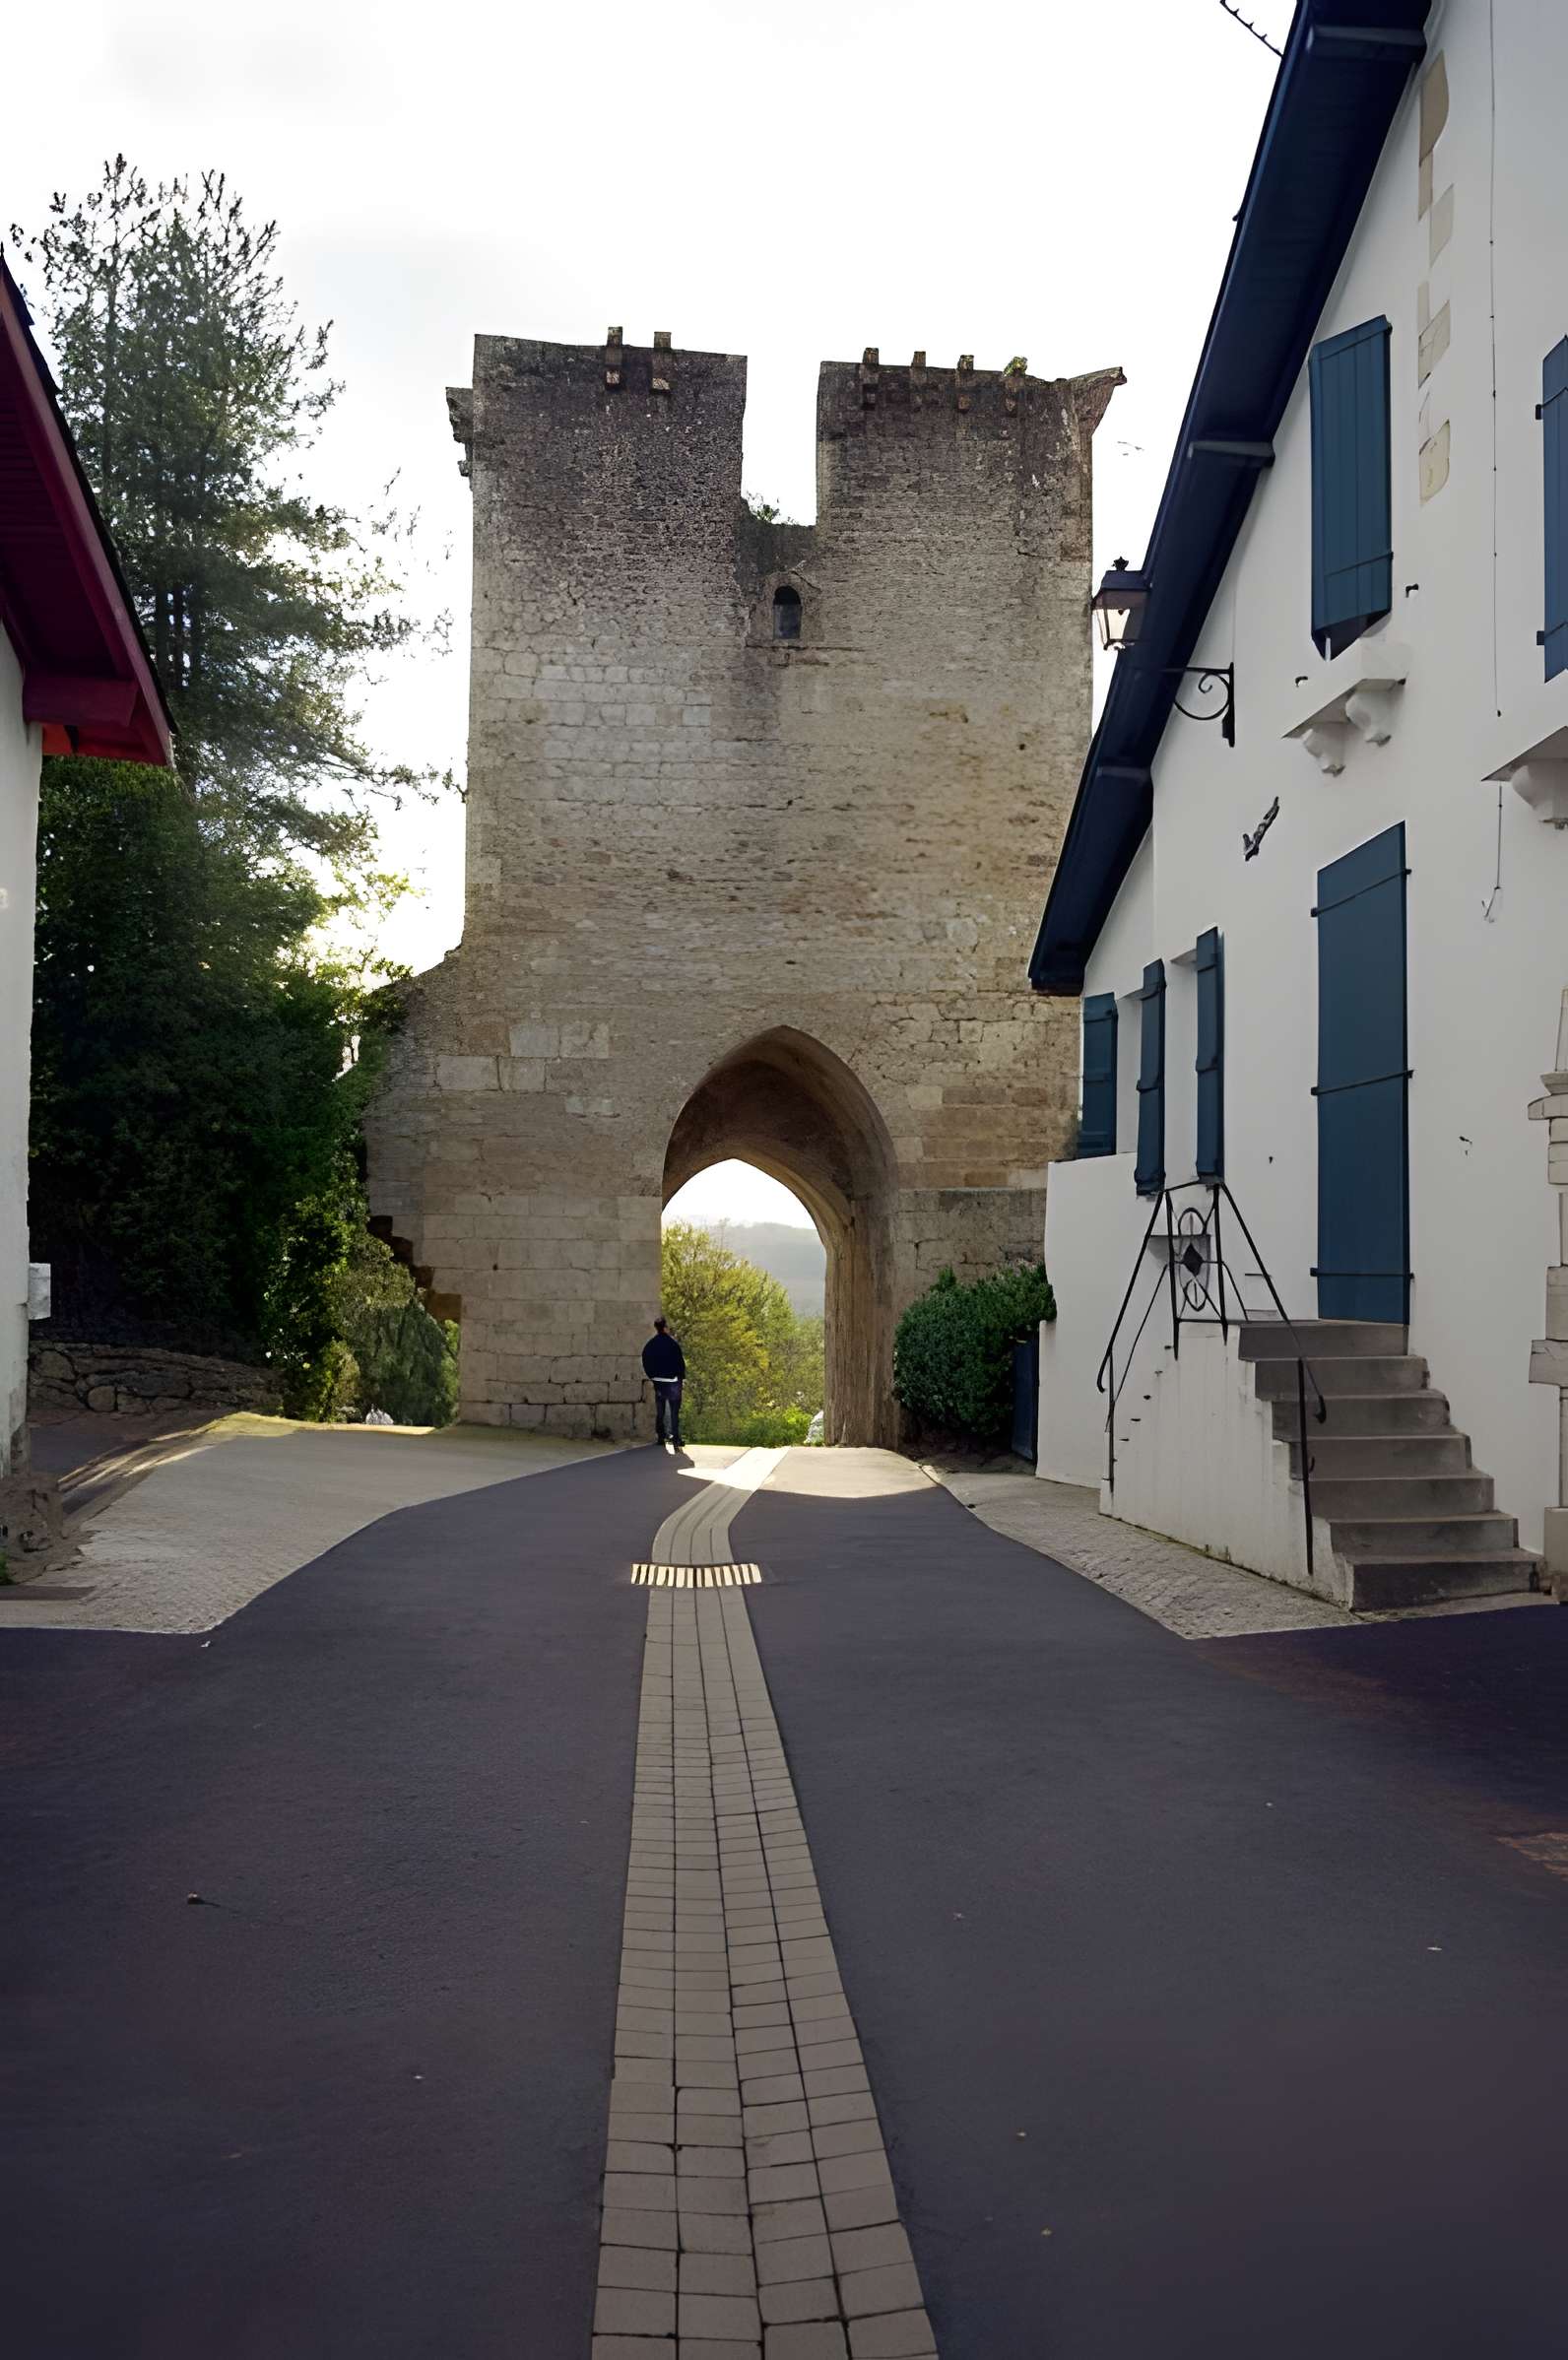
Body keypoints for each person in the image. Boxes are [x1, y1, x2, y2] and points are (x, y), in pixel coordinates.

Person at [641, 1315, 686, 1448]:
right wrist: (681, 1377)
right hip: (673, 1381)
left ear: (656, 1328)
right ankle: (675, 1438)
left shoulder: (651, 1345)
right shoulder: (673, 1344)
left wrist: (652, 1375)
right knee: (674, 1411)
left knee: (660, 1409)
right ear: (665, 1327)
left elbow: (645, 1359)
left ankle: (661, 1436)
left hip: (658, 1381)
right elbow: (680, 1362)